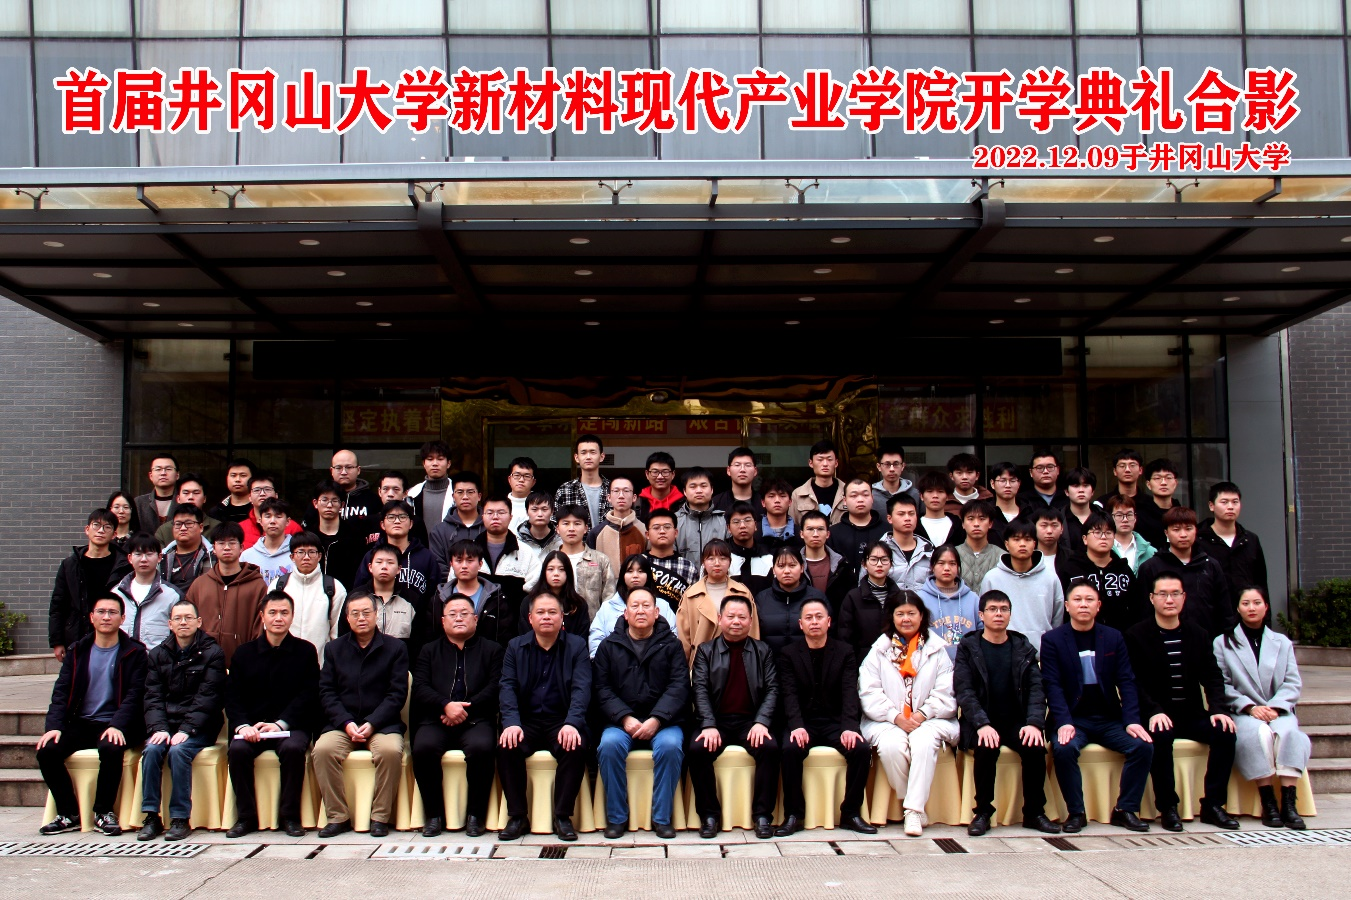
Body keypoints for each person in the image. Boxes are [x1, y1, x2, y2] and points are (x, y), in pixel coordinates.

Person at [1125, 574, 1240, 832]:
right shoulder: (1136, 635)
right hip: (1157, 713)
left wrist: (1218, 709)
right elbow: (1134, 681)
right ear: (1152, 598)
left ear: (1184, 597)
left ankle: (1213, 805)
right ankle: (1168, 807)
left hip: (1191, 713)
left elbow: (1213, 676)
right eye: (1163, 594)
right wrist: (1153, 711)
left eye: (1175, 594)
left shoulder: (1198, 634)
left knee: (1225, 732)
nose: (1169, 600)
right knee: (1160, 736)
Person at [1042, 582, 1154, 834]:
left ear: (1098, 605)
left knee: (1143, 746)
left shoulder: (1113, 637)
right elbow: (1052, 685)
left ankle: (1125, 809)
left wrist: (1132, 720)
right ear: (1067, 606)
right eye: (1077, 600)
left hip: (1108, 718)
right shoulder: (1052, 640)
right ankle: (1076, 813)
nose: (1083, 604)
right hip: (1074, 719)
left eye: (1089, 599)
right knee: (1064, 748)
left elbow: (1126, 681)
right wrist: (1064, 721)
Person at [36, 594, 148, 837]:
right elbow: (61, 691)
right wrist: (54, 726)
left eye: (112, 612)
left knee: (110, 747)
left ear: (122, 618)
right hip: (83, 722)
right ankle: (68, 813)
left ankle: (103, 812)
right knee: (47, 751)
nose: (106, 617)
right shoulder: (78, 651)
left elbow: (135, 695)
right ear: (91, 617)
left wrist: (118, 724)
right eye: (101, 612)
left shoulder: (135, 652)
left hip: (119, 723)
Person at [955, 589, 1059, 837]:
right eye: (992, 609)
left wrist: (1034, 723)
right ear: (981, 615)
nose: (998, 614)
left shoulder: (1022, 646)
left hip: (1016, 721)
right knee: (986, 746)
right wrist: (982, 724)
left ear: (1010, 614)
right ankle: (982, 812)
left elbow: (1037, 688)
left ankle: (1034, 813)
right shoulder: (969, 647)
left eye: (1004, 609)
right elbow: (964, 690)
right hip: (982, 721)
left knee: (1034, 746)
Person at [859, 591, 959, 837]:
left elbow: (946, 692)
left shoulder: (937, 649)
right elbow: (869, 692)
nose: (906, 619)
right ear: (891, 617)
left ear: (921, 616)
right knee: (891, 746)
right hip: (888, 719)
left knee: (922, 741)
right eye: (900, 614)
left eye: (911, 613)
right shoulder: (878, 650)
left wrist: (922, 714)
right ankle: (911, 801)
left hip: (930, 718)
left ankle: (913, 811)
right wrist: (896, 717)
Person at [223, 590, 320, 839]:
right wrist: (243, 726)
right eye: (273, 613)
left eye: (284, 613)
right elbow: (232, 697)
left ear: (292, 616)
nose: (278, 618)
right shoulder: (244, 653)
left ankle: (289, 816)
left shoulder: (305, 651)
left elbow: (309, 694)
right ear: (262, 616)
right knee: (238, 750)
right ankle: (246, 817)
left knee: (293, 749)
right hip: (252, 727)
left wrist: (280, 724)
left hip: (290, 726)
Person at [593, 587, 689, 839]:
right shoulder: (608, 647)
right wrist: (624, 717)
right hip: (620, 722)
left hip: (664, 722)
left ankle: (662, 818)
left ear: (657, 612)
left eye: (646, 606)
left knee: (670, 747)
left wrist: (657, 719)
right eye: (634, 606)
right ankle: (617, 818)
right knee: (609, 746)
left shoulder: (672, 646)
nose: (640, 611)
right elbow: (601, 688)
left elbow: (679, 686)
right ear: (625, 613)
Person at [1214, 587, 1312, 831]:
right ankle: (1268, 802)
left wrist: (1276, 707)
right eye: (1245, 603)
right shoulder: (1223, 643)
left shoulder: (1282, 642)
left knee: (1289, 734)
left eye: (1257, 602)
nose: (1251, 608)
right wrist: (1249, 707)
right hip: (1243, 711)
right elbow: (1222, 683)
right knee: (1259, 734)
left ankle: (1289, 803)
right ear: (1238, 608)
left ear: (1266, 607)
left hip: (1278, 709)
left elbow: (1292, 682)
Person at [776, 598, 875, 836]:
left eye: (819, 617)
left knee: (861, 749)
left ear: (829, 622)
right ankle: (794, 814)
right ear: (800, 624)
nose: (814, 622)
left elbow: (850, 692)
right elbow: (788, 694)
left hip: (835, 723)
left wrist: (849, 726)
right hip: (804, 723)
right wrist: (796, 726)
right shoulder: (789, 653)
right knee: (789, 749)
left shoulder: (844, 651)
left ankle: (851, 813)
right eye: (809, 618)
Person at [497, 591, 592, 842]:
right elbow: (507, 687)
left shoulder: (576, 646)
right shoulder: (515, 647)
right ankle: (518, 816)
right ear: (530, 618)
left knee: (575, 746)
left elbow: (582, 689)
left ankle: (562, 816)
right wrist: (511, 723)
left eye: (552, 612)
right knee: (507, 745)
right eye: (540, 612)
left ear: (562, 617)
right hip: (526, 721)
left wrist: (572, 723)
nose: (546, 617)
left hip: (561, 720)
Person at [314, 592, 409, 838]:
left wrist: (372, 723)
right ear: (347, 618)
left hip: (382, 724)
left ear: (376, 615)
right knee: (322, 750)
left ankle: (380, 817)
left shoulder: (395, 648)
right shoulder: (334, 649)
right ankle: (338, 817)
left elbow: (397, 694)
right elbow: (327, 692)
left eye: (366, 612)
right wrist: (346, 722)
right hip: (342, 725)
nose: (361, 618)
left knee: (390, 751)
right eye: (355, 614)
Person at [687, 596, 781, 840]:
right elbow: (699, 689)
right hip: (716, 721)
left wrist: (761, 722)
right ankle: (709, 816)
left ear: (750, 621)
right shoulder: (706, 651)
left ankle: (762, 816)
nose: (736, 621)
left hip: (750, 722)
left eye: (742, 617)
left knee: (770, 748)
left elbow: (773, 689)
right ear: (720, 619)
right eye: (730, 616)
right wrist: (708, 724)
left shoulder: (763, 651)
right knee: (697, 749)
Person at [411, 593, 504, 838]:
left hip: (476, 718)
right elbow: (420, 687)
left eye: (464, 614)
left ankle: (476, 815)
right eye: (452, 614)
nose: (459, 618)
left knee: (482, 748)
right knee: (423, 748)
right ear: (443, 621)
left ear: (476, 619)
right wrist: (445, 706)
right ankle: (434, 815)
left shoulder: (492, 650)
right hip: (437, 718)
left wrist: (463, 710)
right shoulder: (429, 651)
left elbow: (495, 687)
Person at [136, 598, 227, 842]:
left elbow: (208, 698)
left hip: (200, 727)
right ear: (170, 624)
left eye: (188, 618)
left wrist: (187, 729)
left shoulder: (213, 653)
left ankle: (179, 817)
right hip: (167, 725)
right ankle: (151, 816)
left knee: (178, 752)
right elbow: (152, 697)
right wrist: (159, 728)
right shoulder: (158, 654)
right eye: (178, 618)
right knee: (152, 750)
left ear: (199, 622)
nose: (183, 622)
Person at [1138, 506, 1234, 639]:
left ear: (1196, 530)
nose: (1183, 534)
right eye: (1176, 529)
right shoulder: (1151, 567)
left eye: (1188, 528)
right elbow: (1143, 611)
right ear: (1166, 533)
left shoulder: (1210, 565)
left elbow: (1224, 608)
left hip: (1207, 640)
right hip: (1163, 639)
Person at [49, 509, 131, 662]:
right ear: (87, 529)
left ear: (114, 534)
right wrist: (57, 641)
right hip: (77, 634)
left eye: (107, 527)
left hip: (114, 635)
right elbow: (58, 604)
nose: (101, 530)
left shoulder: (123, 565)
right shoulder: (70, 565)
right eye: (96, 525)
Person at [354, 501, 441, 641]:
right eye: (391, 517)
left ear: (411, 523)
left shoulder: (426, 557)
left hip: (416, 627)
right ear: (382, 524)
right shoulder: (372, 556)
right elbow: (359, 591)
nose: (397, 521)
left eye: (402, 517)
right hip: (375, 626)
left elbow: (434, 594)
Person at [188, 522, 267, 668]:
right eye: (221, 543)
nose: (226, 547)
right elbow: (188, 621)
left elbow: (260, 628)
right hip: (203, 665)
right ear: (213, 548)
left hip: (243, 664)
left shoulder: (257, 586)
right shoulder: (199, 585)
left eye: (232, 543)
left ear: (241, 547)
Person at [980, 518, 1064, 652]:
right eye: (1016, 539)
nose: (1022, 544)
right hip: (1003, 652)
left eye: (1027, 539)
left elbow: (1057, 618)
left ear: (1034, 543)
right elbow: (985, 617)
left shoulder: (1050, 578)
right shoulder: (992, 578)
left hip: (1042, 653)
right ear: (1007, 544)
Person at [269, 529, 344, 664]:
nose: (306, 557)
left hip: (320, 665)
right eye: (301, 552)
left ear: (319, 556)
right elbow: (268, 626)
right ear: (292, 556)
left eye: (311, 552)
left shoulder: (333, 587)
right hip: (281, 663)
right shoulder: (278, 586)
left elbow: (337, 633)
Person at [1059, 511, 1143, 632]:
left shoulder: (1123, 570)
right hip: (1079, 635)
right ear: (1085, 539)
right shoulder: (1070, 569)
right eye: (1097, 532)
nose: (1103, 537)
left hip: (1119, 637)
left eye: (1108, 533)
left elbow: (1137, 607)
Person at [677, 540, 759, 663]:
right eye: (711, 559)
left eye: (722, 558)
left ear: (730, 561)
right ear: (703, 562)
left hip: (737, 661)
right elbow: (684, 638)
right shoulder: (691, 594)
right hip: (701, 662)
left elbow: (753, 631)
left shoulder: (742, 592)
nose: (717, 563)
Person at [1198, 481, 1269, 609]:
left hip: (1246, 612)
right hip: (1212, 612)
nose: (1230, 507)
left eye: (1235, 502)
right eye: (1224, 502)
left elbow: (1261, 582)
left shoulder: (1250, 539)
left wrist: (1265, 616)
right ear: (1211, 506)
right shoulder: (1199, 540)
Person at [589, 554, 676, 657]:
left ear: (648, 575)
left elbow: (673, 637)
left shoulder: (663, 606)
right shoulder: (608, 607)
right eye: (630, 571)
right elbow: (596, 638)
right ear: (622, 576)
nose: (635, 575)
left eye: (641, 571)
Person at [537, 505, 615, 617]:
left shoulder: (601, 560)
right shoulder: (547, 560)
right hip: (555, 623)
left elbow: (609, 597)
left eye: (577, 524)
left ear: (586, 528)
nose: (571, 529)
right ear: (557, 528)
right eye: (566, 523)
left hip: (593, 624)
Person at [755, 545, 828, 656]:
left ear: (802, 568)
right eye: (781, 566)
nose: (787, 571)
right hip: (770, 662)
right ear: (773, 569)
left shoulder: (817, 597)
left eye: (792, 565)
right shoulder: (762, 599)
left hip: (809, 661)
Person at [837, 540, 906, 658]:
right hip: (863, 661)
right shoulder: (853, 597)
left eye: (884, 559)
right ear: (864, 564)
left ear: (891, 563)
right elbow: (845, 637)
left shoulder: (900, 597)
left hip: (896, 660)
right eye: (874, 559)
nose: (879, 564)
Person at [114, 532, 180, 650]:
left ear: (159, 557)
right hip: (123, 659)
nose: (144, 559)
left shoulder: (172, 595)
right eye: (138, 554)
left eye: (149, 554)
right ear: (130, 558)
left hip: (157, 660)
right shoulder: (117, 593)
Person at [476, 496, 536, 617]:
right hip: (475, 622)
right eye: (490, 513)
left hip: (514, 623)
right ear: (482, 517)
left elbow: (535, 588)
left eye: (501, 512)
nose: (495, 517)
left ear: (510, 517)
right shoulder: (470, 551)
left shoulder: (525, 553)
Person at [916, 545, 980, 659]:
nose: (947, 568)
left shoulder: (973, 599)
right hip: (932, 662)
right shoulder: (920, 599)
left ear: (958, 567)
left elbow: (982, 632)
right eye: (941, 563)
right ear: (932, 566)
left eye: (952, 563)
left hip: (968, 664)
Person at [308, 479, 367, 590]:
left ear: (342, 505)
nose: (329, 505)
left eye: (334, 500)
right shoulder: (308, 536)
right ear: (315, 503)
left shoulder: (354, 536)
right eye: (324, 500)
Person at [519, 550, 591, 641]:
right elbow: (524, 636)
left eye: (561, 569)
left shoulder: (578, 604)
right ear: (544, 572)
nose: (556, 574)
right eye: (550, 569)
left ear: (568, 573)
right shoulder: (529, 601)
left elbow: (582, 638)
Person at [587, 476, 648, 575]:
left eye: (626, 491)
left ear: (634, 497)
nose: (621, 496)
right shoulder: (596, 533)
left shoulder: (644, 531)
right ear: (609, 497)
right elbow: (590, 568)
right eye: (616, 491)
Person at [358, 550, 417, 650]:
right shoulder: (357, 597)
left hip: (400, 658)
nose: (384, 567)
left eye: (390, 562)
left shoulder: (412, 599)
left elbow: (418, 638)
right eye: (379, 562)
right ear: (370, 567)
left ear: (399, 569)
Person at [429, 472, 486, 572]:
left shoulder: (489, 527)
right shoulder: (439, 531)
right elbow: (438, 565)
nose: (465, 497)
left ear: (479, 496)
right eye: (460, 492)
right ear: (453, 496)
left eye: (470, 492)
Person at [553, 433, 611, 530]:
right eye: (583, 453)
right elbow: (555, 524)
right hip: (577, 540)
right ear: (576, 457)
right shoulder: (565, 490)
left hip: (608, 540)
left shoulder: (613, 489)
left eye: (593, 452)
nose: (588, 457)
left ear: (602, 456)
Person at [644, 508, 699, 610]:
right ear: (647, 534)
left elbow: (694, 604)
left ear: (676, 532)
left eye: (667, 527)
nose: (662, 531)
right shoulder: (638, 563)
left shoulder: (688, 567)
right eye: (656, 528)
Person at [800, 510, 853, 612]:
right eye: (810, 529)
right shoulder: (794, 565)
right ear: (801, 534)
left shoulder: (842, 564)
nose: (815, 534)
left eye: (820, 529)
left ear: (828, 534)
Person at [879, 495, 934, 592]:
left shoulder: (929, 551)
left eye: (911, 514)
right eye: (901, 514)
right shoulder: (878, 551)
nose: (907, 518)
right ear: (889, 518)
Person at [828, 478, 888, 568]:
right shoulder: (832, 533)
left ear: (872, 498)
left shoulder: (888, 531)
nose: (860, 500)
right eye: (854, 496)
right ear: (845, 500)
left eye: (865, 495)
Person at [675, 467, 728, 566]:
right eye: (693, 486)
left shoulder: (724, 520)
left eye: (703, 486)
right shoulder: (675, 521)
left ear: (712, 490)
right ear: (685, 491)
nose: (699, 491)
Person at [158, 504, 214, 593]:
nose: (183, 528)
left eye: (189, 523)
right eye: (178, 524)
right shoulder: (161, 558)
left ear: (201, 527)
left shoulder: (212, 555)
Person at [152, 475, 219, 547]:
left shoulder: (217, 527)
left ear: (204, 499)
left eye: (196, 493)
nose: (191, 497)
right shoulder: (164, 531)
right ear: (178, 499)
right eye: (186, 493)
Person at [406, 440, 453, 543]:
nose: (435, 463)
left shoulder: (458, 492)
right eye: (430, 459)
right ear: (424, 463)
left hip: (452, 548)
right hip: (420, 548)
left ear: (448, 463)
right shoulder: (412, 494)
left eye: (440, 459)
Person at [240, 497, 295, 585]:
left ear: (288, 521)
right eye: (268, 516)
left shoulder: (298, 554)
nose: (272, 521)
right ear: (260, 521)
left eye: (278, 516)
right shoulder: (247, 556)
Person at [238, 474, 302, 548]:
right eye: (257, 490)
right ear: (249, 497)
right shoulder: (240, 528)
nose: (262, 494)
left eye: (267, 489)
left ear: (276, 495)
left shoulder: (293, 527)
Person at [791, 439, 845, 526]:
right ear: (811, 463)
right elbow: (793, 526)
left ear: (836, 463)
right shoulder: (798, 494)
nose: (825, 464)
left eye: (829, 459)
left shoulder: (847, 492)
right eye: (820, 459)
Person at [327, 449, 380, 535]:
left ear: (358, 470)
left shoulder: (372, 500)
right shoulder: (322, 500)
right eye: (338, 468)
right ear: (331, 471)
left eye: (349, 467)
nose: (343, 472)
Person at [726, 501, 773, 595]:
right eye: (736, 522)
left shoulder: (769, 558)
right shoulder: (721, 557)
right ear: (728, 528)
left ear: (755, 525)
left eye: (747, 520)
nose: (742, 526)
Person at [1135, 458, 1180, 550]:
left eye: (1168, 478)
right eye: (1157, 478)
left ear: (1175, 483)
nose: (1163, 483)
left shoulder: (1182, 514)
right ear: (1148, 484)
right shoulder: (1139, 516)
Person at [1105, 494, 1156, 574]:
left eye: (1129, 515)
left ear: (1135, 518)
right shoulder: (1103, 548)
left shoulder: (1150, 552)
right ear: (1110, 518)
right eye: (1119, 515)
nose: (1125, 519)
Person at [957, 500, 1000, 592]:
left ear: (990, 523)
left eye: (982, 519)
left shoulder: (1001, 556)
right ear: (963, 524)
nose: (976, 524)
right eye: (970, 518)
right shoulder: (953, 554)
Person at [871, 441, 921, 521]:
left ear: (903, 466)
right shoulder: (871, 496)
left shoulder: (915, 495)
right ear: (879, 466)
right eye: (887, 464)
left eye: (896, 464)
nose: (892, 469)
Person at [712, 447, 764, 522]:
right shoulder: (716, 503)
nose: (742, 470)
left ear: (755, 471)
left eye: (747, 465)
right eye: (737, 465)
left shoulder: (764, 503)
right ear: (728, 470)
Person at [916, 471, 964, 548]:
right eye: (930, 491)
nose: (935, 496)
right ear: (921, 496)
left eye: (940, 491)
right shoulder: (914, 524)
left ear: (947, 496)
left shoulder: (957, 524)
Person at [133, 455, 179, 531]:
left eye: (168, 469)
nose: (163, 473)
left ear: (177, 475)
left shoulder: (184, 501)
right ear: (150, 476)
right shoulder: (139, 503)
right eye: (158, 469)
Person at [637, 451, 683, 522]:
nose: (660, 476)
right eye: (655, 472)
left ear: (673, 474)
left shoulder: (683, 504)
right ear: (647, 474)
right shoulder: (637, 504)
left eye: (665, 472)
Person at [208, 458, 256, 525]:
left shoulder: (259, 509)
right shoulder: (216, 512)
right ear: (227, 478)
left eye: (243, 475)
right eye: (233, 475)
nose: (237, 479)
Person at [987, 461, 1024, 546]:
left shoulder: (1028, 512)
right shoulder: (986, 513)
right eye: (1002, 480)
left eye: (1012, 480)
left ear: (1019, 483)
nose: (1008, 485)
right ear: (992, 484)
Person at [517, 490, 562, 558]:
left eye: (544, 509)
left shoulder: (561, 538)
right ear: (527, 512)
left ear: (552, 511)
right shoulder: (517, 539)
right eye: (534, 509)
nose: (540, 514)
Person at [759, 478, 801, 552]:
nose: (777, 500)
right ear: (763, 502)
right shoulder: (754, 533)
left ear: (790, 502)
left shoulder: (800, 534)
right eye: (771, 496)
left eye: (782, 496)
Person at [1061, 467, 1098, 549]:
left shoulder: (1103, 516)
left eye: (1085, 485)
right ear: (1066, 491)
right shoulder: (1059, 518)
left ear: (1092, 491)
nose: (1081, 490)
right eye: (1075, 486)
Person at [1029, 506, 1068, 576]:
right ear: (1034, 527)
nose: (1049, 531)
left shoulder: (1071, 558)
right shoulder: (1026, 557)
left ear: (1062, 528)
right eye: (1044, 525)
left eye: (1054, 525)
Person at [502, 456, 538, 532]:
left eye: (527, 476)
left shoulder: (541, 505)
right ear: (509, 479)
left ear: (533, 482)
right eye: (516, 475)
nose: (521, 480)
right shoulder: (500, 504)